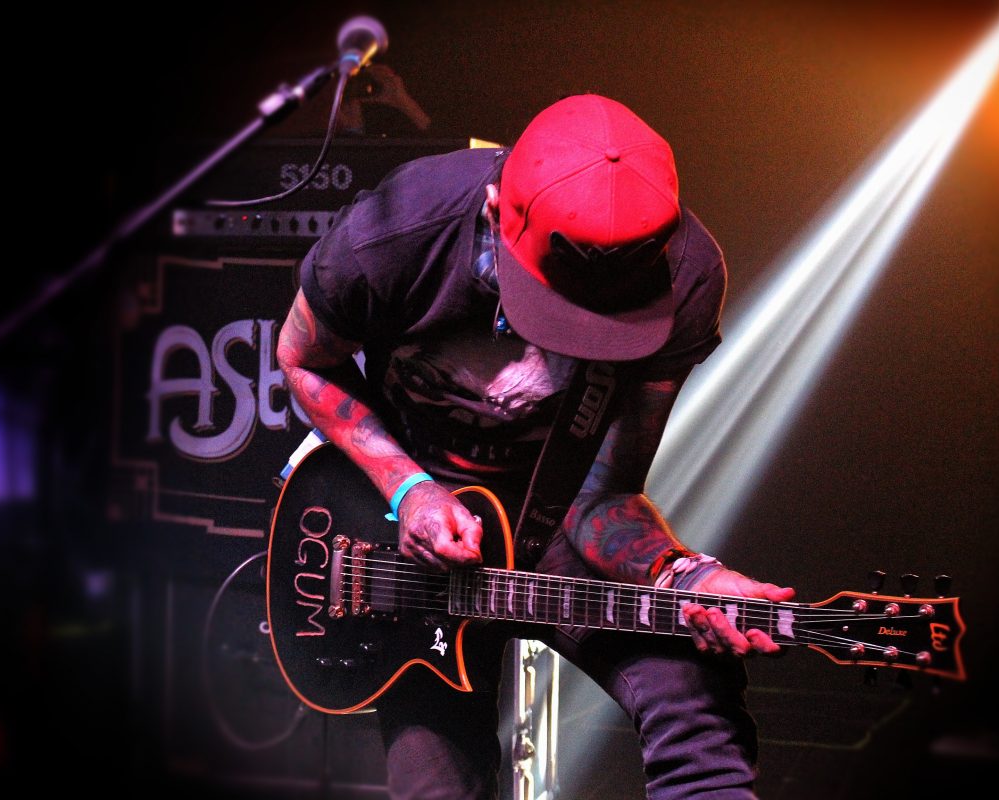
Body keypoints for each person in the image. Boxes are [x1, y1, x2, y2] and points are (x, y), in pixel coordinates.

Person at [275, 93, 795, 800]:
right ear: (495, 212)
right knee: (437, 784)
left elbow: (603, 496)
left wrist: (686, 577)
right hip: (414, 537)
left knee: (696, 697)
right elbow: (303, 360)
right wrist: (410, 489)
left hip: (556, 519)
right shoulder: (397, 232)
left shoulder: (688, 281)